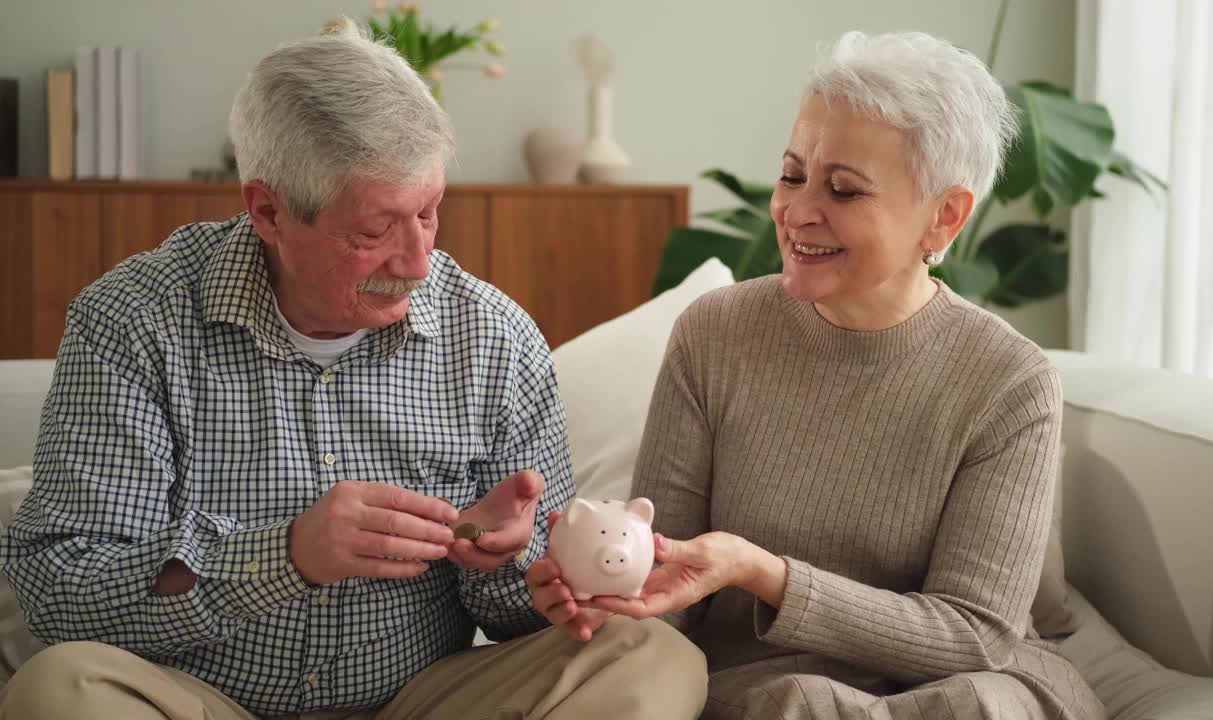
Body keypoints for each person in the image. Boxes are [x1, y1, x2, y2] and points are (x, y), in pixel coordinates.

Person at [0, 19, 706, 720]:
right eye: (375, 231)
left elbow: (533, 618)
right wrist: (284, 556)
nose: (418, 261)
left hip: (422, 703)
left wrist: (503, 563)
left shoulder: (495, 339)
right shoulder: (133, 322)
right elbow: (62, 593)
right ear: (267, 210)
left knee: (651, 659)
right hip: (200, 702)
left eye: (430, 213)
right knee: (57, 690)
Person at [569, 31, 1108, 720]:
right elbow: (663, 591)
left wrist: (767, 576)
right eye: (793, 175)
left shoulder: (1010, 381)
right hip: (765, 692)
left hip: (952, 688)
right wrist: (601, 587)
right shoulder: (715, 334)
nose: (796, 211)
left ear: (943, 217)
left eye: (844, 190)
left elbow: (975, 634)